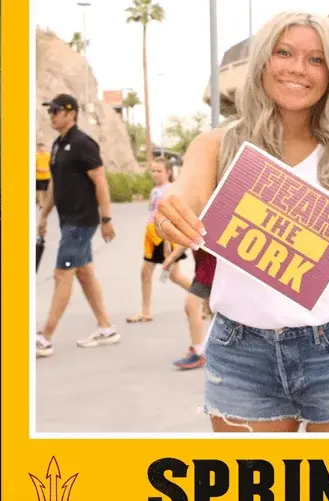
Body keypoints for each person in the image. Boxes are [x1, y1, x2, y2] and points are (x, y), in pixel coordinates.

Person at [156, 11, 329, 432]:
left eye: (316, 59)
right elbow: (187, 191)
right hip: (241, 353)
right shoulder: (217, 144)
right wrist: (173, 210)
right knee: (256, 498)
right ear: (263, 62)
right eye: (283, 52)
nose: (296, 68)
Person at [36, 94, 120, 357]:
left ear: (71, 114)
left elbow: (100, 182)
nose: (52, 115)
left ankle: (45, 336)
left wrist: (106, 219)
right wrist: (44, 216)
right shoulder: (58, 145)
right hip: (67, 221)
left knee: (63, 274)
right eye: (50, 111)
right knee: (84, 273)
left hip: (81, 222)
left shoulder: (83, 143)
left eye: (56, 110)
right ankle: (106, 328)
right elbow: (55, 184)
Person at [127, 158, 190, 323]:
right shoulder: (156, 189)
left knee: (175, 276)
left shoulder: (170, 190)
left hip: (163, 237)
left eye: (159, 171)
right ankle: (145, 311)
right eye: (153, 170)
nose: (155, 174)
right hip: (152, 235)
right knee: (145, 273)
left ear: (168, 172)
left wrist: (167, 243)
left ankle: (204, 300)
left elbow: (169, 216)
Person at [164, 246, 217, 370]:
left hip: (211, 268)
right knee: (216, 312)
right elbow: (188, 238)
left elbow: (191, 237)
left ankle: (198, 352)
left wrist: (172, 257)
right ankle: (208, 349)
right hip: (205, 266)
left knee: (191, 305)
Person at [36, 141, 51, 208]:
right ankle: (41, 204)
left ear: (44, 148)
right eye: (40, 148)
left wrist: (48, 169)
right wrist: (40, 169)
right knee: (40, 191)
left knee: (48, 191)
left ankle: (46, 204)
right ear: (38, 148)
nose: (41, 149)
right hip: (38, 177)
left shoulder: (48, 155)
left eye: (42, 147)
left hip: (47, 176)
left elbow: (51, 164)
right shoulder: (35, 156)